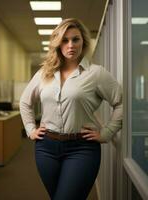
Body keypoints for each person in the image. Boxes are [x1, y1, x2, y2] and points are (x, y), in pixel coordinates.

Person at [19, 18, 122, 200]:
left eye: (75, 39)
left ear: (83, 41)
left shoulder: (96, 74)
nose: (70, 45)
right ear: (58, 44)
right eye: (64, 40)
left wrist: (107, 133)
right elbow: (25, 102)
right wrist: (30, 129)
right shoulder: (44, 73)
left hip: (82, 149)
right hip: (46, 148)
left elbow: (120, 103)